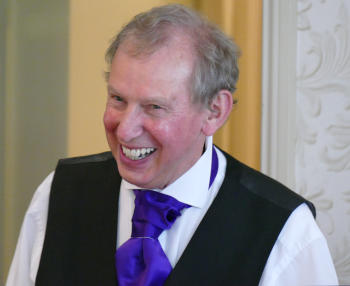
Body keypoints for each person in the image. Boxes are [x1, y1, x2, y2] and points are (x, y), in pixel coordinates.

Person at [6, 4, 338, 286]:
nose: (125, 130)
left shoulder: (286, 234)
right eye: (118, 99)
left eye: (154, 107)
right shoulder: (57, 195)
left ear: (214, 111)